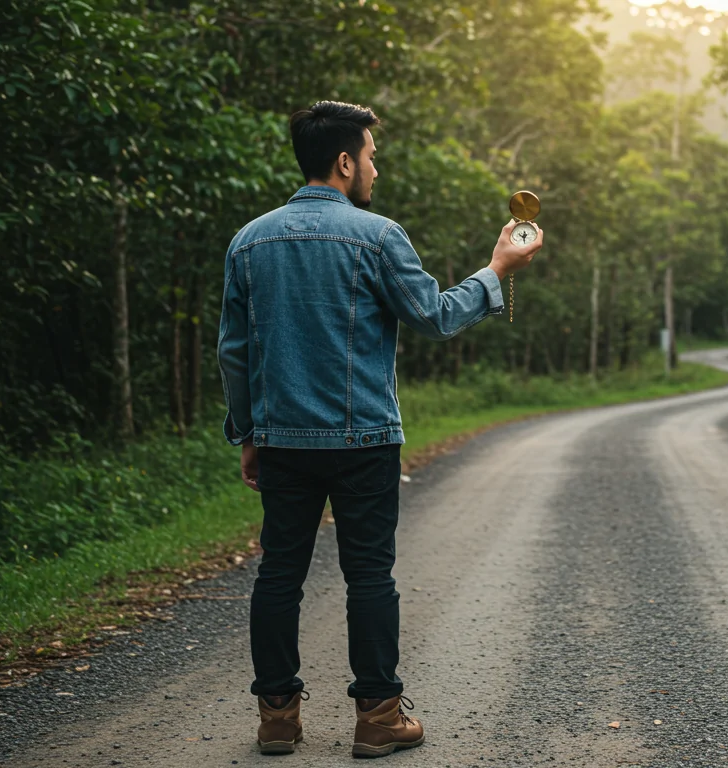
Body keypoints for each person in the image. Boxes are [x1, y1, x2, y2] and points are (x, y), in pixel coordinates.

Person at [216, 100, 542, 757]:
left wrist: (248, 432)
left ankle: (277, 719)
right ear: (343, 161)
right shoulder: (378, 236)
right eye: (370, 155)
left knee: (279, 575)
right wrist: (499, 269)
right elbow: (435, 316)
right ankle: (378, 719)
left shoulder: (249, 241)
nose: (375, 168)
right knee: (369, 576)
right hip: (363, 438)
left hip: (281, 439)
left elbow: (234, 352)